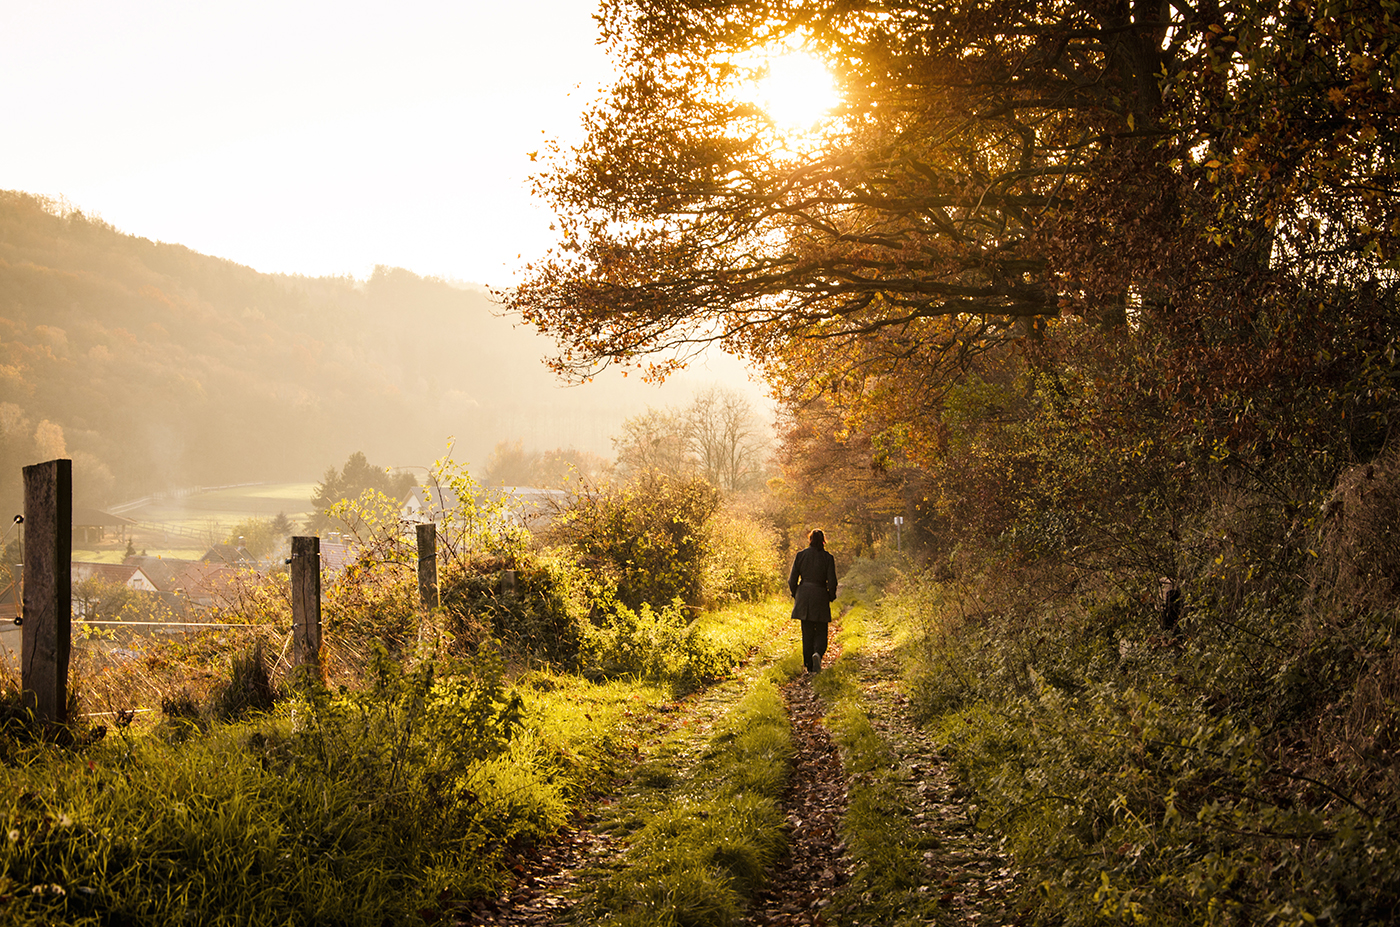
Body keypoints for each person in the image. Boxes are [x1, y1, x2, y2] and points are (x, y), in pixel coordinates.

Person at [789, 528, 838, 673]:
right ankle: (818, 653)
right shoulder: (827, 558)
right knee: (821, 629)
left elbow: (792, 580)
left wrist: (796, 593)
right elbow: (832, 581)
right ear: (823, 541)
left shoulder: (800, 555)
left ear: (810, 539)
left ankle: (809, 664)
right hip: (820, 595)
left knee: (807, 631)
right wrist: (831, 595)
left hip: (804, 595)